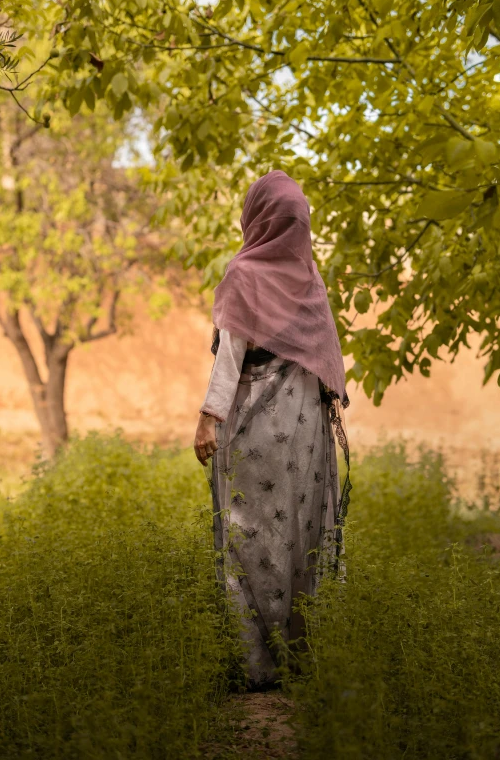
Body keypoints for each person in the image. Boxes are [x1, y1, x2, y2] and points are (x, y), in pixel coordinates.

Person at [194, 170, 351, 691]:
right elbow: (328, 360)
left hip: (254, 430)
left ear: (255, 216)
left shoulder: (242, 274)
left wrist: (208, 417)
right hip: (305, 434)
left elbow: (230, 359)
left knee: (250, 535)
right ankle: (302, 660)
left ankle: (255, 664)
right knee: (301, 535)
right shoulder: (308, 278)